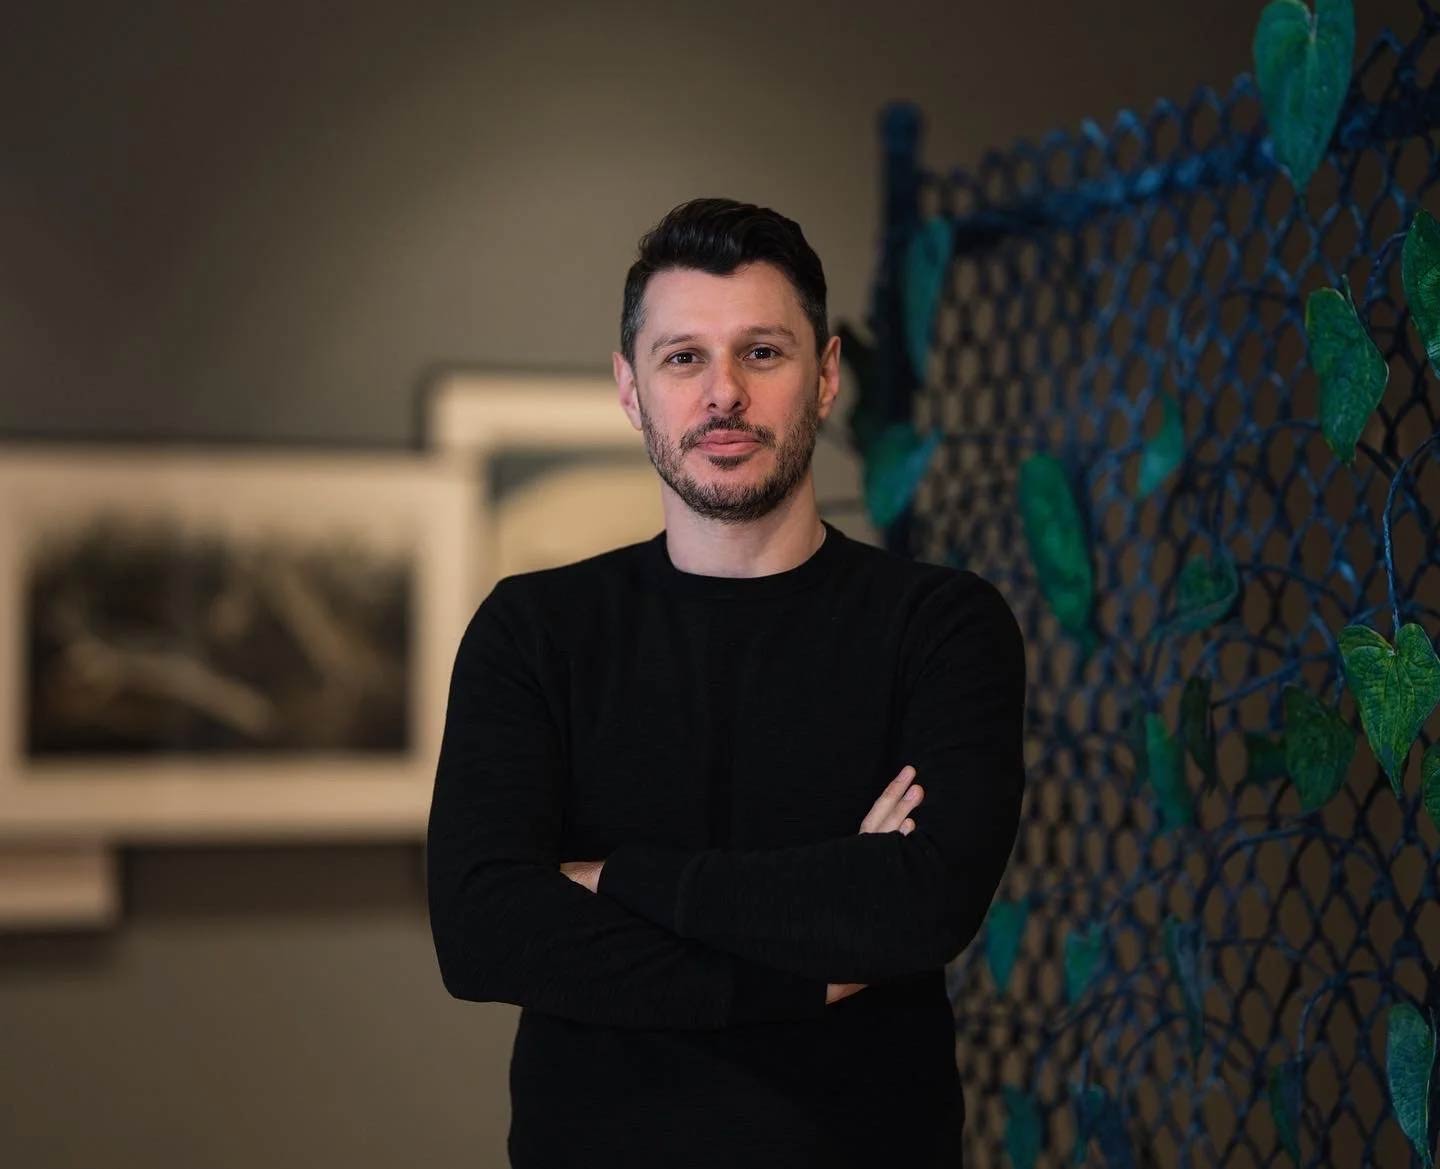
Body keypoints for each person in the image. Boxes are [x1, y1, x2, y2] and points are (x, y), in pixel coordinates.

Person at [425, 197, 1028, 1168]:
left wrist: (616, 875)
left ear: (826, 376)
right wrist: (808, 967)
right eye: (683, 357)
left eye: (763, 352)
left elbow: (917, 904)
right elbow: (485, 932)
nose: (723, 395)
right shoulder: (534, 631)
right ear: (630, 388)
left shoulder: (940, 626)